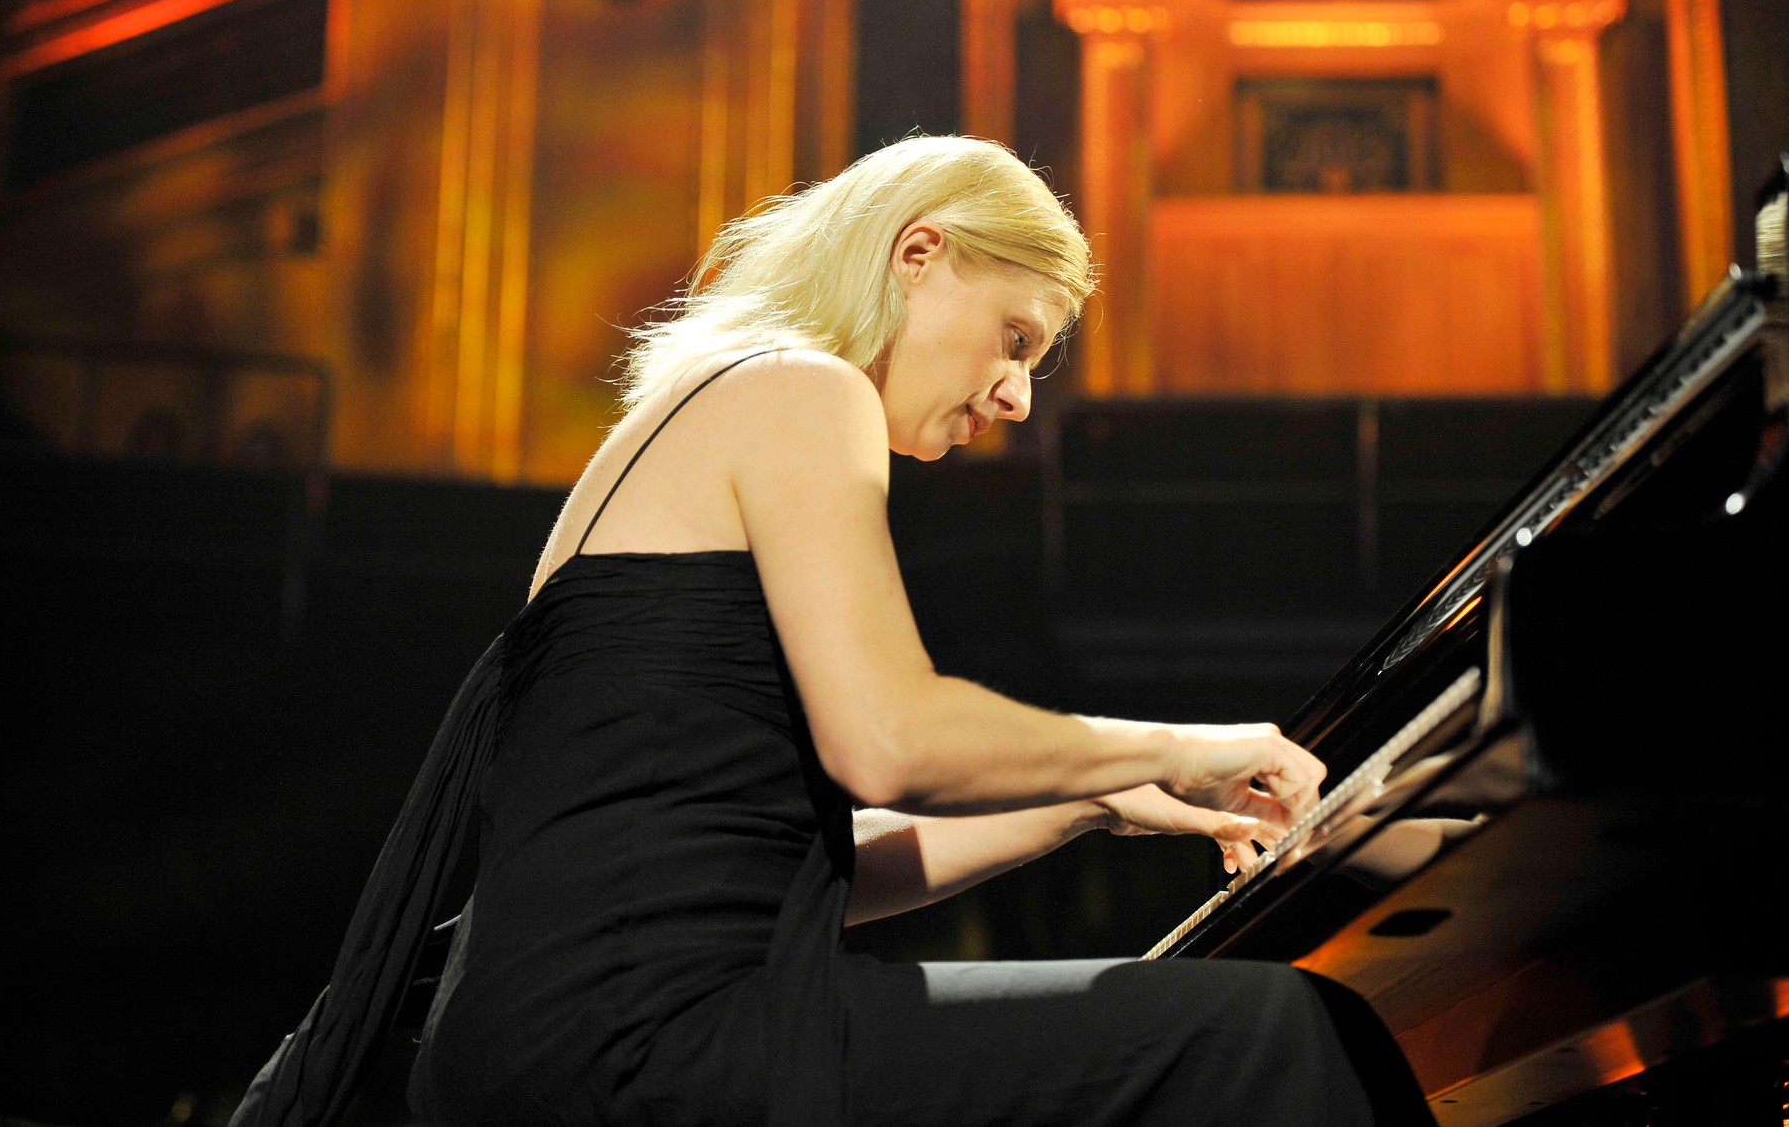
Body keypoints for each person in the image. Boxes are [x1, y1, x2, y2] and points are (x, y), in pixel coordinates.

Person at [234, 135, 1434, 1127]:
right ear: (920, 257)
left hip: (548, 1042)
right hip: (638, 1042)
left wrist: (1086, 803)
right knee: (1275, 1035)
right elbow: (889, 738)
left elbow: (790, 866)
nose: (1018, 396)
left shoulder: (704, 408)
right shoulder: (802, 392)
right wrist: (1173, 745)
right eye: (1018, 339)